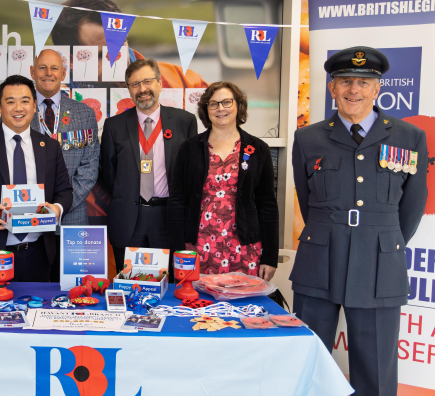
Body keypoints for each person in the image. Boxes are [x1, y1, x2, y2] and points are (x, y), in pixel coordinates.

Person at [278, 47, 427, 396]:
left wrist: (381, 243)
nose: (354, 89)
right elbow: (308, 203)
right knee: (308, 363)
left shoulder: (410, 137)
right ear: (332, 87)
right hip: (319, 262)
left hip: (379, 266)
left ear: (378, 88)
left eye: (363, 82)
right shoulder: (308, 138)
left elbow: (410, 209)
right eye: (345, 81)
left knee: (376, 371)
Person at [0, 75, 73, 281]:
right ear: (0, 107)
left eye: (25, 101)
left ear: (35, 106)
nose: (18, 108)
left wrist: (57, 209)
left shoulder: (50, 146)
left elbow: (64, 191)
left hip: (39, 253)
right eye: (10, 102)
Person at [167, 81, 279, 281]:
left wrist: (270, 257)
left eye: (227, 102)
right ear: (206, 109)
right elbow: (177, 201)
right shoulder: (189, 148)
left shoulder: (258, 148)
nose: (221, 109)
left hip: (245, 248)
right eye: (213, 104)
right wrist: (177, 252)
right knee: (198, 306)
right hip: (199, 246)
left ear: (238, 105)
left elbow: (268, 205)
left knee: (243, 307)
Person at [101, 59, 197, 272]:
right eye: (135, 84)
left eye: (147, 81)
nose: (142, 89)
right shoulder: (113, 126)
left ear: (160, 83)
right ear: (128, 89)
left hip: (168, 218)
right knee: (129, 284)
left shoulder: (185, 121)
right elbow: (109, 174)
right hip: (128, 219)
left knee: (168, 285)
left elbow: (191, 173)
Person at [30, 49, 99, 281]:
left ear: (63, 73)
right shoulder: (18, 112)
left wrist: (62, 204)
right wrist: (35, 204)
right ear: (32, 72)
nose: (48, 73)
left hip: (73, 216)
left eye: (54, 68)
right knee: (33, 288)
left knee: (78, 289)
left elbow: (90, 167)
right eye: (42, 67)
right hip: (31, 217)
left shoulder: (85, 113)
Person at [50, 0, 209, 91]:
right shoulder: (45, 106)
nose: (117, 59)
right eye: (101, 54)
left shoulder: (179, 80)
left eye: (120, 45)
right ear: (70, 60)